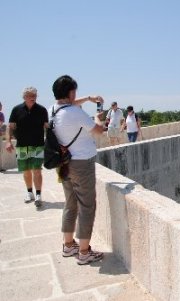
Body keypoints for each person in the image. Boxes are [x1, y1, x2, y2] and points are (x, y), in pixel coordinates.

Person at [51, 74, 105, 265]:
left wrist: (89, 99)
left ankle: (68, 245)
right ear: (70, 92)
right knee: (87, 206)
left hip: (64, 163)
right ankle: (84, 252)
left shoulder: (53, 109)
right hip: (81, 163)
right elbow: (99, 131)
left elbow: (69, 104)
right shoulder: (76, 113)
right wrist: (98, 119)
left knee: (70, 203)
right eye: (75, 91)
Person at [6, 87, 48, 208]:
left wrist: (52, 142)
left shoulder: (41, 110)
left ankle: (39, 194)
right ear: (24, 97)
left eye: (34, 95)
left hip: (38, 145)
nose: (33, 97)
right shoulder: (16, 110)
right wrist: (8, 141)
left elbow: (47, 127)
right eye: (30, 95)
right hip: (22, 146)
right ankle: (30, 192)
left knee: (37, 170)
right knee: (26, 171)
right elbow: (10, 127)